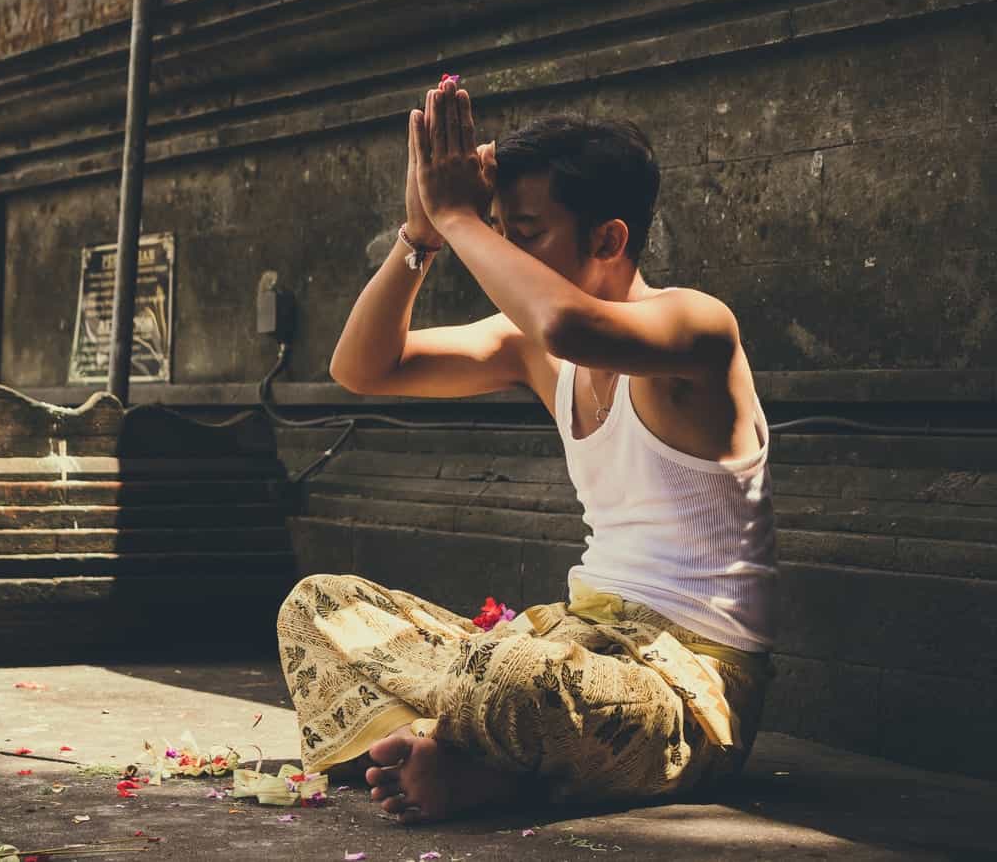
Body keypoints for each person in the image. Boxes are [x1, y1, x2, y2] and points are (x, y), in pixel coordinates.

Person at [275, 75, 778, 823]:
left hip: (681, 692)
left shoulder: (697, 327)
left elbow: (568, 325)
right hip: (566, 637)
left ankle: (460, 757)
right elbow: (362, 367)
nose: (501, 253)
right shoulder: (534, 347)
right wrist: (422, 237)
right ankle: (458, 754)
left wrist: (457, 213)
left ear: (608, 238)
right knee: (318, 607)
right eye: (500, 229)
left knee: (509, 671)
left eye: (527, 231)